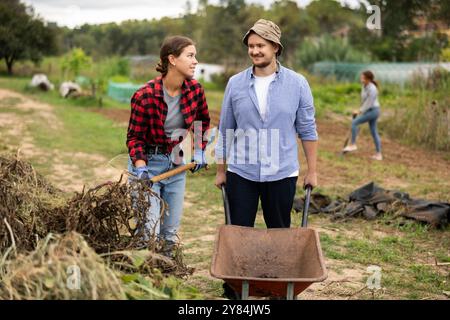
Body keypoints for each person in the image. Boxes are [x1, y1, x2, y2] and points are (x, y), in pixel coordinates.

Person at [214, 19, 318, 229]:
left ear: (275, 47)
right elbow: (226, 129)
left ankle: (278, 264)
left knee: (279, 232)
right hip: (242, 171)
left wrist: (312, 170)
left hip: (282, 172)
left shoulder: (297, 83)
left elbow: (307, 130)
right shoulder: (236, 84)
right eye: (251, 46)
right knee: (239, 232)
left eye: (260, 45)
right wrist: (220, 170)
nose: (254, 51)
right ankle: (241, 264)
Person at [126, 36, 210, 254]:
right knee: (148, 232)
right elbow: (134, 138)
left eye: (195, 56)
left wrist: (200, 150)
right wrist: (141, 168)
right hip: (147, 165)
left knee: (169, 234)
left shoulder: (195, 90)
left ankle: (168, 277)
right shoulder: (145, 95)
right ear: (172, 60)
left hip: (176, 164)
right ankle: (142, 279)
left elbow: (202, 122)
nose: (195, 61)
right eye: (190, 56)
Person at [342, 70, 382, 160]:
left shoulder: (373, 89)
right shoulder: (364, 86)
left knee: (355, 123)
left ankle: (353, 144)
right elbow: (363, 100)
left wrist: (360, 111)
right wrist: (358, 110)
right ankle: (379, 154)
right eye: (361, 77)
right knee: (373, 131)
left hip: (373, 111)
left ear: (368, 79)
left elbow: (369, 103)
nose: (361, 79)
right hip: (368, 111)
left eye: (363, 78)